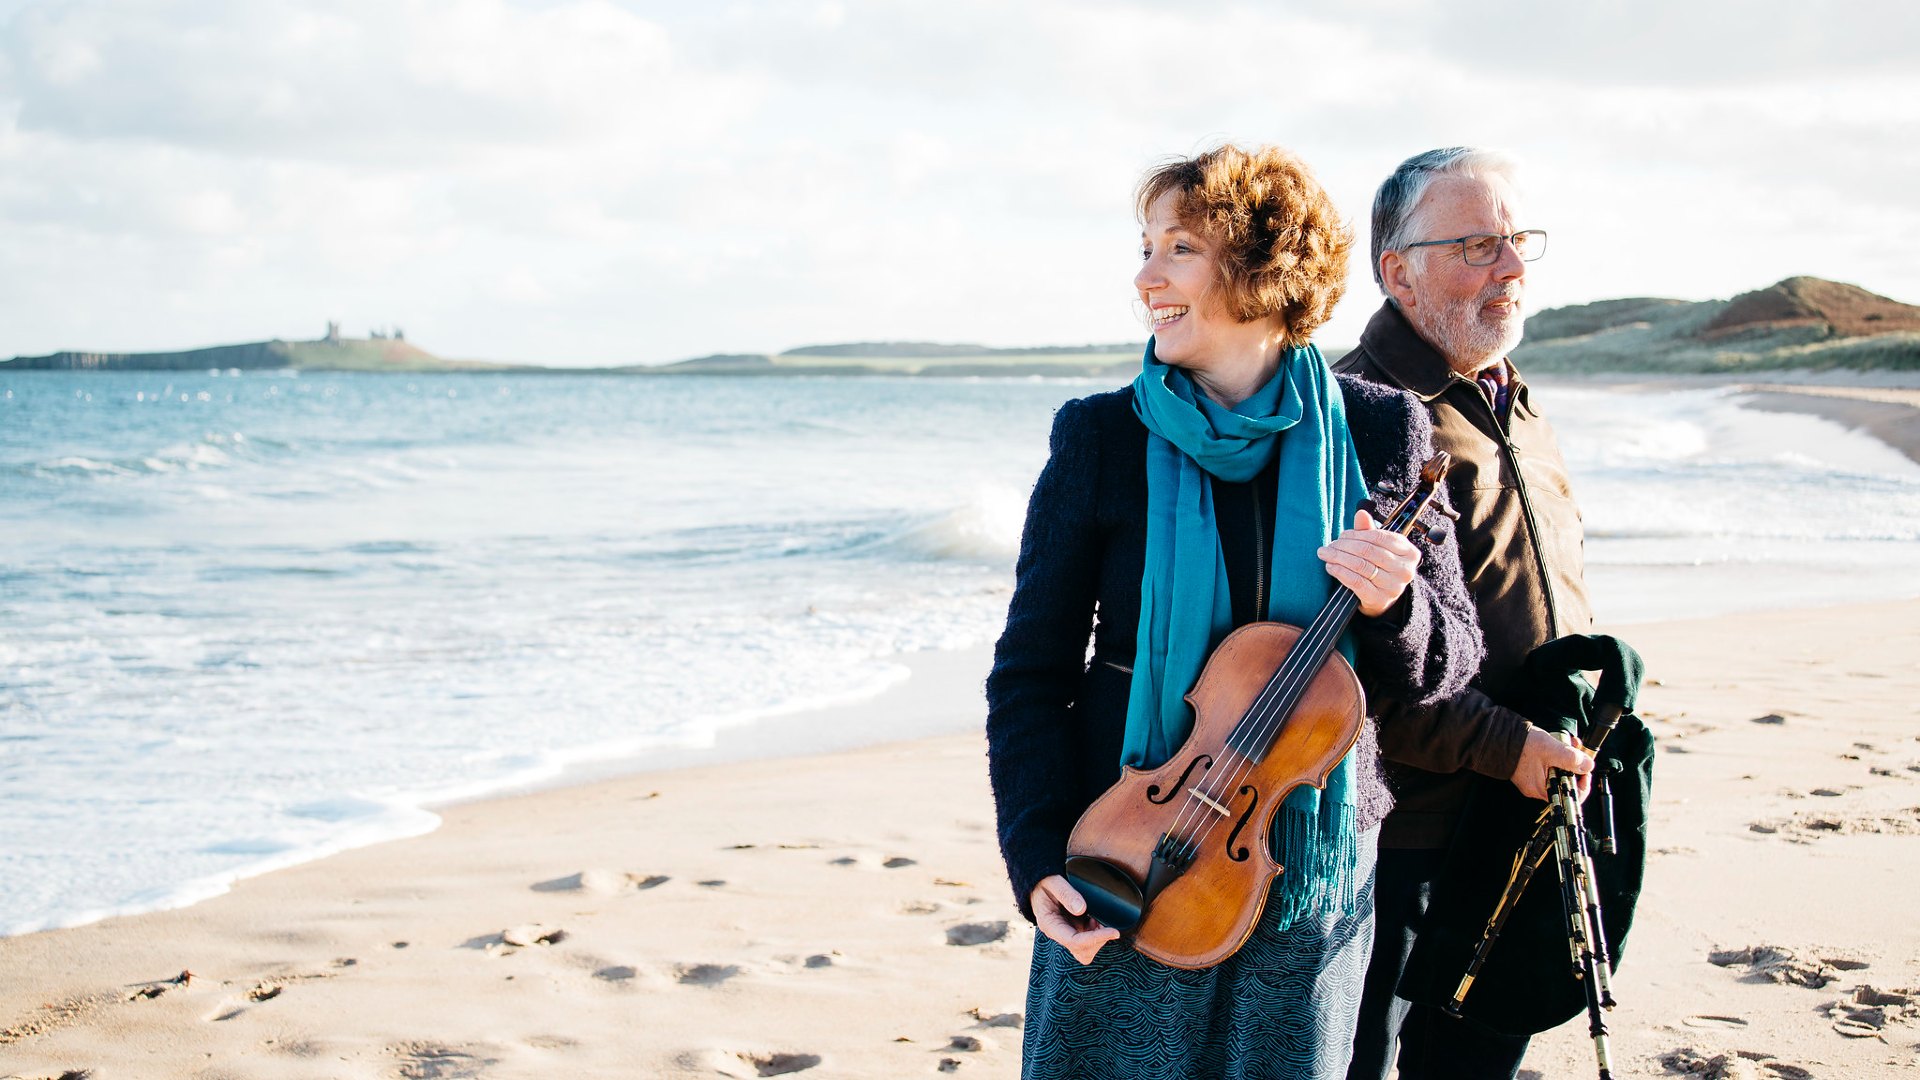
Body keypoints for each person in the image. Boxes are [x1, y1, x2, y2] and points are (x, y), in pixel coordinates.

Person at [984, 143, 1484, 1080]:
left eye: (1178, 248)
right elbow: (1032, 671)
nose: (1145, 278)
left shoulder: (1383, 428)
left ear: (1261, 267)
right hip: (1130, 859)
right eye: (1143, 248)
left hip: (1308, 866)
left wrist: (1398, 602)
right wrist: (1038, 856)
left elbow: (1447, 668)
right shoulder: (1099, 435)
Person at [1335, 148, 1596, 1080]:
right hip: (1405, 837)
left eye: (1519, 240)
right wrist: (1507, 746)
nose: (1514, 267)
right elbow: (1356, 660)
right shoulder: (1358, 412)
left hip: (1523, 810)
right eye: (1479, 246)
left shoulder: (1512, 396)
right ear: (1396, 269)